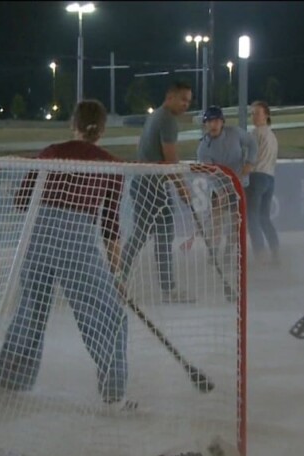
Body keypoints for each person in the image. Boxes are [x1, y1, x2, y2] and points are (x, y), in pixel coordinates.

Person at [0, 99, 134, 409]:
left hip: (39, 240)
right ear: (103, 130)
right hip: (77, 243)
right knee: (110, 316)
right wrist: (117, 274)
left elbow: (21, 201)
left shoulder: (52, 153)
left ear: (74, 125)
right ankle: (114, 395)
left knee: (30, 311)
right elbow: (110, 227)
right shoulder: (112, 165)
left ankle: (6, 384)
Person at [119, 81, 195, 303]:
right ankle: (165, 289)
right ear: (169, 97)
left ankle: (122, 279)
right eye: (182, 99)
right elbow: (170, 160)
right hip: (151, 187)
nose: (185, 105)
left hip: (146, 184)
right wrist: (182, 188)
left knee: (149, 235)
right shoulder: (167, 120)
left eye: (188, 101)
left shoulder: (157, 116)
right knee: (153, 236)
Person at [196, 105, 257, 270]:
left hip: (240, 186)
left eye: (216, 121)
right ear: (205, 125)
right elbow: (210, 174)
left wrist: (250, 162)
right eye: (209, 122)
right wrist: (221, 189)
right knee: (216, 223)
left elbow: (252, 143)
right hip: (219, 189)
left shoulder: (235, 133)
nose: (212, 125)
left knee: (236, 222)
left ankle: (230, 253)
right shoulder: (203, 148)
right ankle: (213, 253)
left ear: (222, 122)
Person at [247, 100, 280, 265]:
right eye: (252, 113)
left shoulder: (255, 133)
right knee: (264, 217)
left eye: (257, 113)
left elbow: (250, 158)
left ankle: (260, 254)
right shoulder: (272, 135)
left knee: (252, 216)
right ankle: (275, 251)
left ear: (266, 115)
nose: (253, 117)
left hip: (257, 177)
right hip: (270, 178)